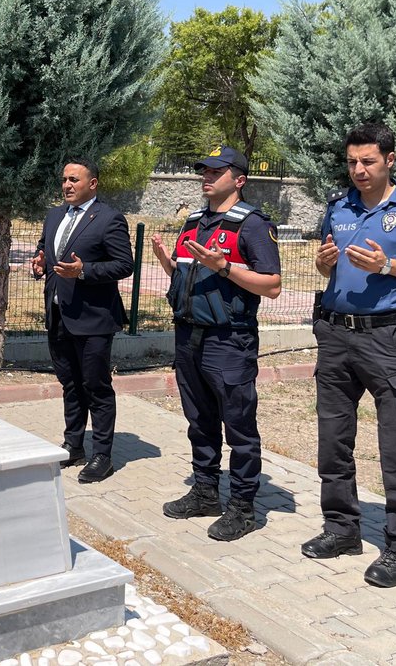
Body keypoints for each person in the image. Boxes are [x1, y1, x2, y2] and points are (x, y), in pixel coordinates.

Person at [301, 123, 396, 588]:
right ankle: (342, 529)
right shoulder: (338, 206)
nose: (358, 170)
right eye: (352, 161)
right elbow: (323, 263)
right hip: (335, 335)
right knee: (333, 439)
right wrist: (323, 263)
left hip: (389, 340)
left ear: (390, 160)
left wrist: (390, 266)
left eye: (368, 161)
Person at [150, 146, 282, 541]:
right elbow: (186, 276)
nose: (207, 177)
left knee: (239, 426)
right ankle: (205, 491)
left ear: (238, 179)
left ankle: (243, 507)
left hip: (229, 340)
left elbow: (272, 285)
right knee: (199, 421)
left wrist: (224, 266)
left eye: (216, 172)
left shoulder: (252, 224)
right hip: (188, 335)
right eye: (204, 171)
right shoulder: (193, 221)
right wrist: (163, 260)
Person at [31, 159, 134, 484]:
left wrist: (85, 271)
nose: (67, 185)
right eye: (64, 179)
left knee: (96, 387)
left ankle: (102, 455)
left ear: (93, 184)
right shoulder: (54, 215)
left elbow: (124, 264)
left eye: (74, 179)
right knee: (70, 384)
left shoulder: (109, 219)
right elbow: (46, 248)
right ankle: (73, 445)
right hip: (59, 314)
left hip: (94, 319)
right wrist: (40, 260)